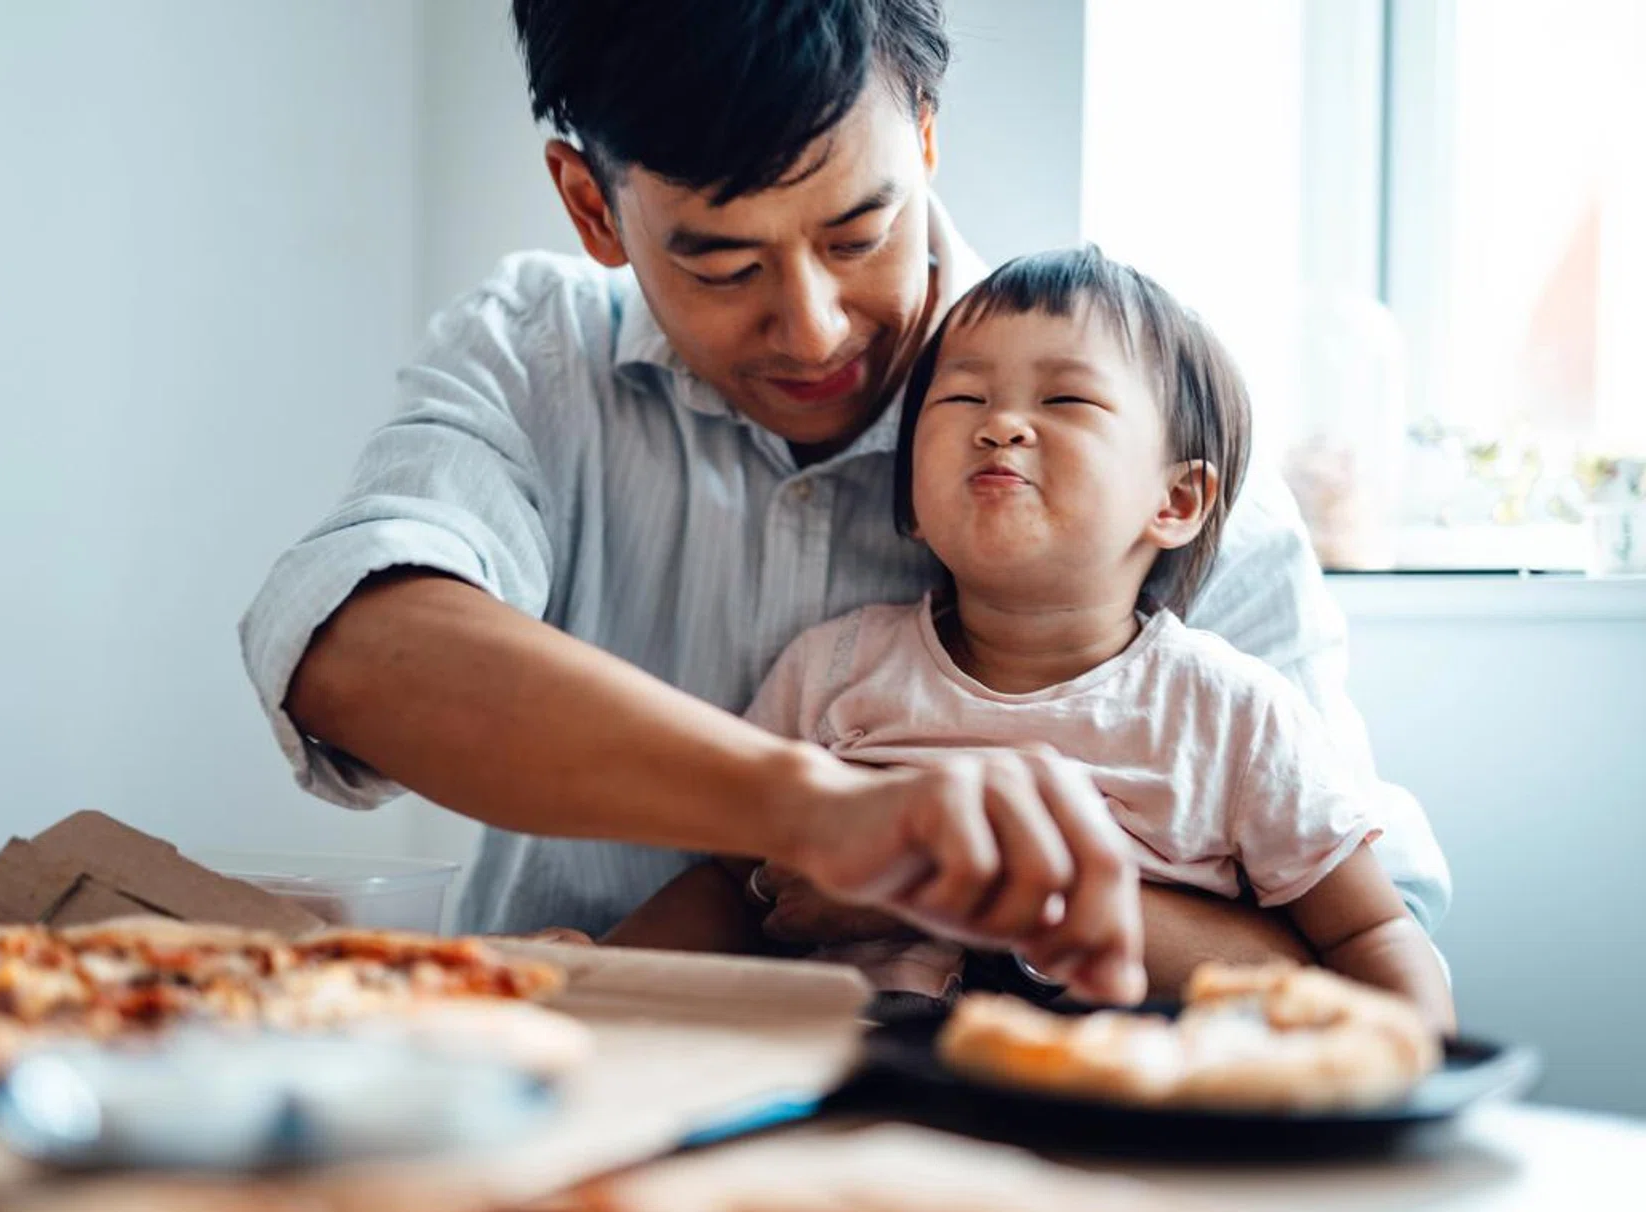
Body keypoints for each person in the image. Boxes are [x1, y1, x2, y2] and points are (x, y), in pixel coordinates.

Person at [238, 0, 1450, 1004]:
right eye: (723, 262)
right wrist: (817, 817)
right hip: (582, 1100)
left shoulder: (1163, 462)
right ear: (592, 206)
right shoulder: (536, 355)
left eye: (861, 232)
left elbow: (1369, 977)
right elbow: (354, 643)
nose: (813, 326)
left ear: (924, 137)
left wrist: (971, 880)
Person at [608, 247, 1456, 1029]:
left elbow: (1369, 933)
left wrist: (1414, 1066)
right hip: (860, 1099)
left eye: (1066, 400)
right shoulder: (831, 670)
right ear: (907, 496)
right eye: (964, 398)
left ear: (1178, 502)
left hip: (1128, 1112)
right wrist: (591, 978)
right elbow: (727, 885)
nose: (1001, 425)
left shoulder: (1232, 716)